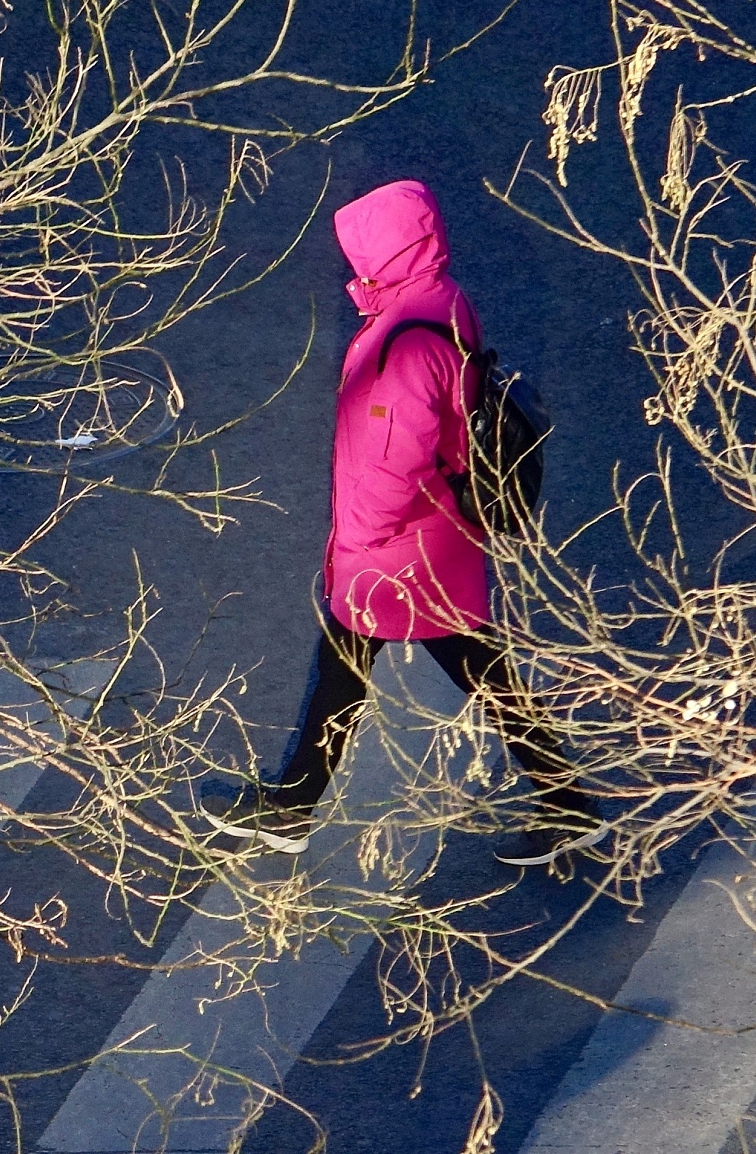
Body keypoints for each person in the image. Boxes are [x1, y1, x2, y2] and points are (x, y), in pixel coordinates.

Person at [204, 179, 607, 867]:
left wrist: (356, 542)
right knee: (451, 667)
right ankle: (565, 800)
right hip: (439, 537)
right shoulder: (441, 300)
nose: (354, 267)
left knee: (374, 664)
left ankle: (295, 809)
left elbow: (390, 463)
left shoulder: (402, 342)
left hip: (397, 546)